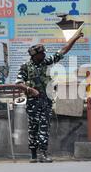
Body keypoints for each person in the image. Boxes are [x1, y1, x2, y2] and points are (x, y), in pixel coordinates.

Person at [16, 31, 84, 163]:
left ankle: (43, 153)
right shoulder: (25, 67)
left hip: (45, 101)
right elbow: (18, 83)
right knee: (33, 128)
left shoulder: (46, 62)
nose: (45, 54)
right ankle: (34, 155)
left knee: (44, 127)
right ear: (36, 56)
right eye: (42, 53)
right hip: (32, 102)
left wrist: (74, 38)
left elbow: (63, 51)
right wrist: (30, 90)